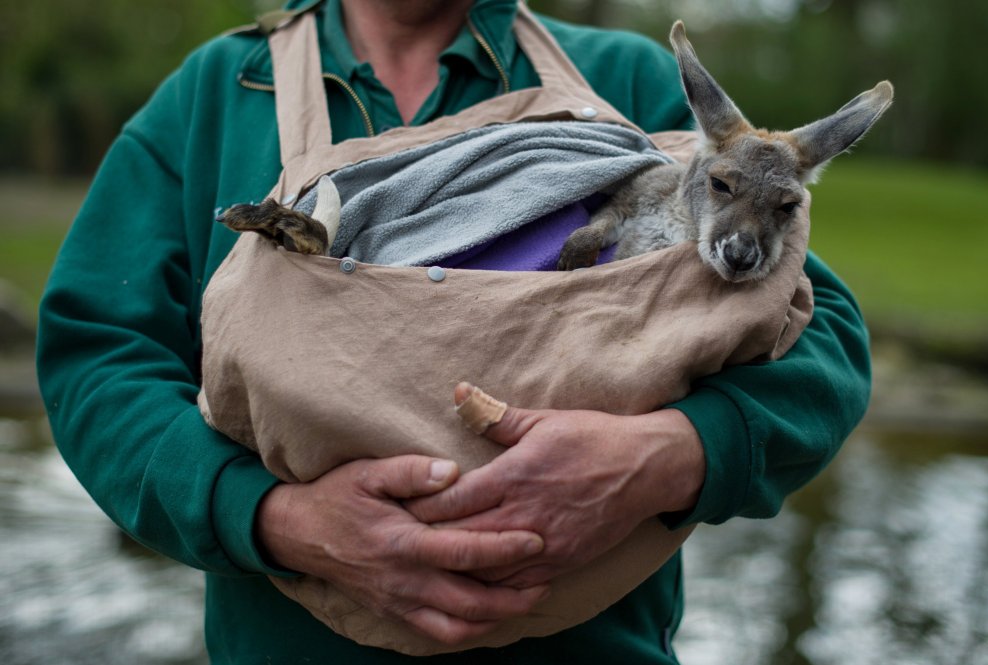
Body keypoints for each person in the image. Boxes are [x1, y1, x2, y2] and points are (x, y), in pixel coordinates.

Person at [36, 0, 871, 662]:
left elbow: (821, 338)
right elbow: (98, 356)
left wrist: (667, 456)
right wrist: (271, 517)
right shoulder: (217, 95)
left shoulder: (628, 79)